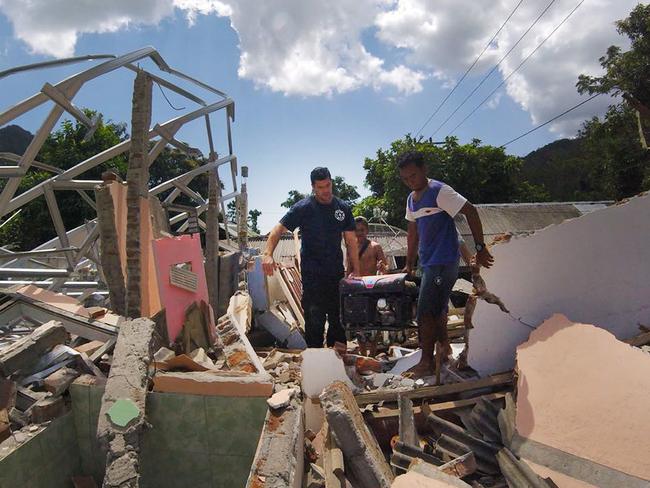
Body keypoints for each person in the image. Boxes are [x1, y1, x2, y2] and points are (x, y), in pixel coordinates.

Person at [398, 151, 494, 377]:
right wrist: (409, 263)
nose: (410, 181)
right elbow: (412, 232)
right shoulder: (412, 199)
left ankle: (426, 361)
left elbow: (470, 210)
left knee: (425, 312)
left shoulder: (439, 191)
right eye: (405, 178)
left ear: (424, 170)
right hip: (429, 262)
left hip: (444, 260)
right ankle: (445, 349)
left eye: (413, 176)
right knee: (438, 309)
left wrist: (480, 248)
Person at [262, 167, 360, 348]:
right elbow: (277, 229)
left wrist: (356, 270)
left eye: (328, 185)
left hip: (336, 275)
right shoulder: (304, 208)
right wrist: (267, 255)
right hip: (313, 277)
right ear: (313, 187)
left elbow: (351, 241)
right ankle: (316, 364)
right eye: (321, 187)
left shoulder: (342, 208)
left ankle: (339, 368)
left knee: (339, 323)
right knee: (315, 323)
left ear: (332, 182)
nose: (326, 190)